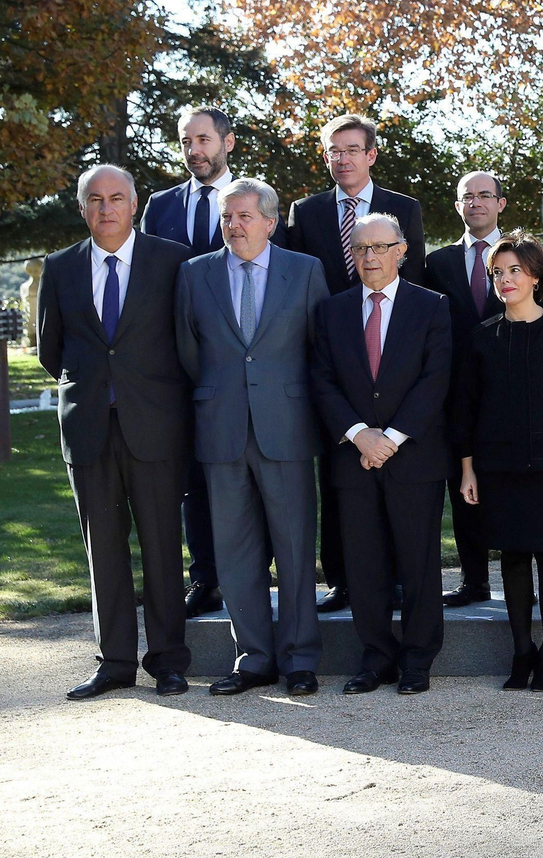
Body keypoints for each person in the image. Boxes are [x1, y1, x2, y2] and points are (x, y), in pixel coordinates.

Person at [37, 165, 193, 700]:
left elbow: (186, 341)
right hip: (88, 429)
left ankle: (168, 662)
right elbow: (50, 349)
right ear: (82, 207)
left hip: (155, 426)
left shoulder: (172, 261)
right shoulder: (60, 267)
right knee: (102, 550)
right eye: (96, 199)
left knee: (162, 548)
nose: (107, 208)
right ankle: (115, 663)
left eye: (117, 198)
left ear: (134, 204)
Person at [176, 178, 330, 696]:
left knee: (294, 548)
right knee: (235, 552)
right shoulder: (195, 273)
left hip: (285, 427)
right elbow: (189, 351)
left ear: (270, 221)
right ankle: (254, 658)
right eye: (227, 216)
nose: (234, 225)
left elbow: (319, 348)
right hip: (220, 428)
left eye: (244, 216)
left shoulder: (304, 270)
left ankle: (300, 659)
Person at [282, 113, 425, 614]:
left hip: (391, 353)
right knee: (337, 474)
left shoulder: (403, 208)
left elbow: (415, 279)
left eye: (351, 149)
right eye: (333, 151)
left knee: (397, 473)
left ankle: (398, 577)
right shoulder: (306, 212)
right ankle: (342, 578)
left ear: (371, 155)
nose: (341, 158)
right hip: (334, 356)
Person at [310, 213, 452, 695]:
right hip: (353, 458)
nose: (369, 256)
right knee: (363, 564)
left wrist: (390, 438)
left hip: (413, 458)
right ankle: (375, 658)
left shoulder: (431, 306)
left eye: (379, 247)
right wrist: (358, 435)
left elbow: (435, 379)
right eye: (360, 248)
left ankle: (417, 660)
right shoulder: (331, 311)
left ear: (402, 251)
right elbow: (322, 380)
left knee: (418, 564)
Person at [458, 233, 543, 692]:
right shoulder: (481, 338)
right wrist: (467, 468)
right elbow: (466, 409)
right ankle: (522, 651)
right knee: (513, 556)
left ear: (535, 276)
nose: (506, 279)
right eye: (498, 272)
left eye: (515, 270)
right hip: (497, 466)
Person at [140, 105, 242, 618]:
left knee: (245, 476)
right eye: (186, 141)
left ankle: (250, 573)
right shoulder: (159, 207)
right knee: (191, 481)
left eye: (203, 139)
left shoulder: (254, 201)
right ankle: (205, 578)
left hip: (240, 367)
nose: (194, 150)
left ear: (227, 142)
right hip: (175, 371)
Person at [424, 171, 507, 607]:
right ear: (458, 206)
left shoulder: (521, 255)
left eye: (485, 195)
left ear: (500, 203)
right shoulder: (436, 264)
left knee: (512, 488)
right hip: (455, 394)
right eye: (467, 197)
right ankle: (474, 581)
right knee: (463, 487)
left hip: (508, 390)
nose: (476, 202)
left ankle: (519, 583)